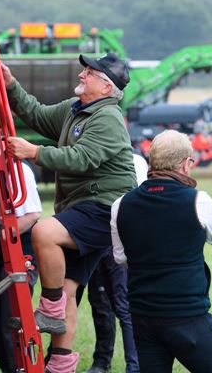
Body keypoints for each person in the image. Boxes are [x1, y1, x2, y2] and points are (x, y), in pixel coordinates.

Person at [2, 52, 137, 373]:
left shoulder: (107, 118)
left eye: (89, 73)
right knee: (69, 289)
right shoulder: (75, 110)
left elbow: (82, 157)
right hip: (84, 208)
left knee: (43, 232)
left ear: (106, 88)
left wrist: (34, 152)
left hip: (105, 210)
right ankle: (61, 362)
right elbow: (36, 113)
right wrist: (10, 85)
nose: (81, 75)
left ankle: (49, 308)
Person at [110, 129, 212, 373]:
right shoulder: (198, 200)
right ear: (186, 164)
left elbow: (121, 258)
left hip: (144, 316)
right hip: (188, 315)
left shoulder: (120, 205)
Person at [82, 154, 147, 373]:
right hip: (95, 236)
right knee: (99, 301)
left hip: (119, 239)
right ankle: (102, 361)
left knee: (123, 304)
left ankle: (134, 366)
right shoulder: (92, 155)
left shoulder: (135, 161)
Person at [0, 160, 42, 372]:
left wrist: (0, 238)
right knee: (0, 318)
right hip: (3, 251)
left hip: (20, 250)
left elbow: (32, 215)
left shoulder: (18, 170)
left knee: (11, 319)